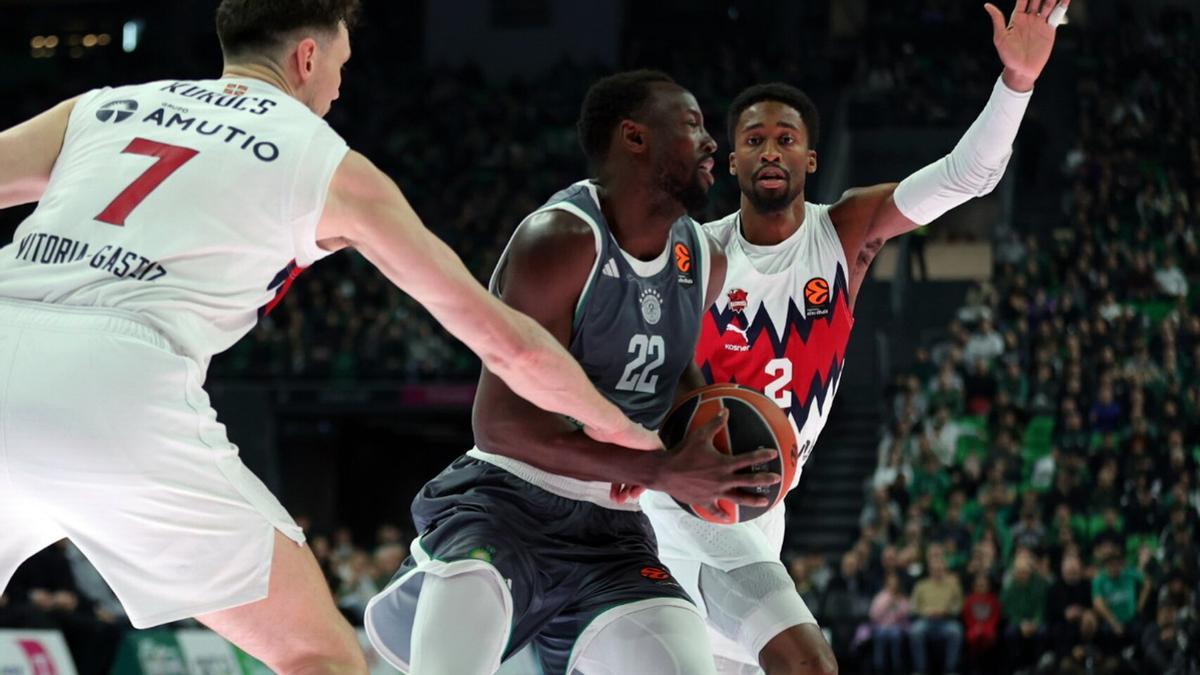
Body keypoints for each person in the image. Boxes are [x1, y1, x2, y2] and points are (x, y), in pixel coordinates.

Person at [0, 2, 663, 671]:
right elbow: (506, 343)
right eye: (341, 67)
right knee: (318, 653)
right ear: (308, 57)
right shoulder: (326, 163)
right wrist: (620, 430)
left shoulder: (101, 108)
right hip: (117, 381)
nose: (340, 89)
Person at [638, 1, 1069, 673]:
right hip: (683, 500)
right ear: (731, 161)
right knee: (809, 662)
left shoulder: (845, 230)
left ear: (811, 157)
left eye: (785, 138)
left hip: (763, 510)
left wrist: (1017, 82)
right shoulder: (697, 253)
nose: (770, 150)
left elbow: (968, 175)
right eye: (755, 140)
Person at [363, 70, 782, 675]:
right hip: (506, 503)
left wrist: (710, 442)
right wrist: (655, 469)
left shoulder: (703, 258)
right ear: (635, 137)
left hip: (611, 527)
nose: (712, 142)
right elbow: (500, 427)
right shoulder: (559, 240)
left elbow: (672, 372)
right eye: (692, 125)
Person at [909, 547, 964, 675]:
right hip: (926, 620)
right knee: (916, 631)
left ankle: (950, 670)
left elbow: (959, 605)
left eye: (940, 569)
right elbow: (913, 606)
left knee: (955, 631)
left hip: (946, 620)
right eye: (935, 569)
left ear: (944, 569)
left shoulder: (953, 585)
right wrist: (926, 611)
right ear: (930, 570)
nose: (937, 572)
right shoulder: (921, 585)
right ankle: (920, 670)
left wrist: (946, 611)